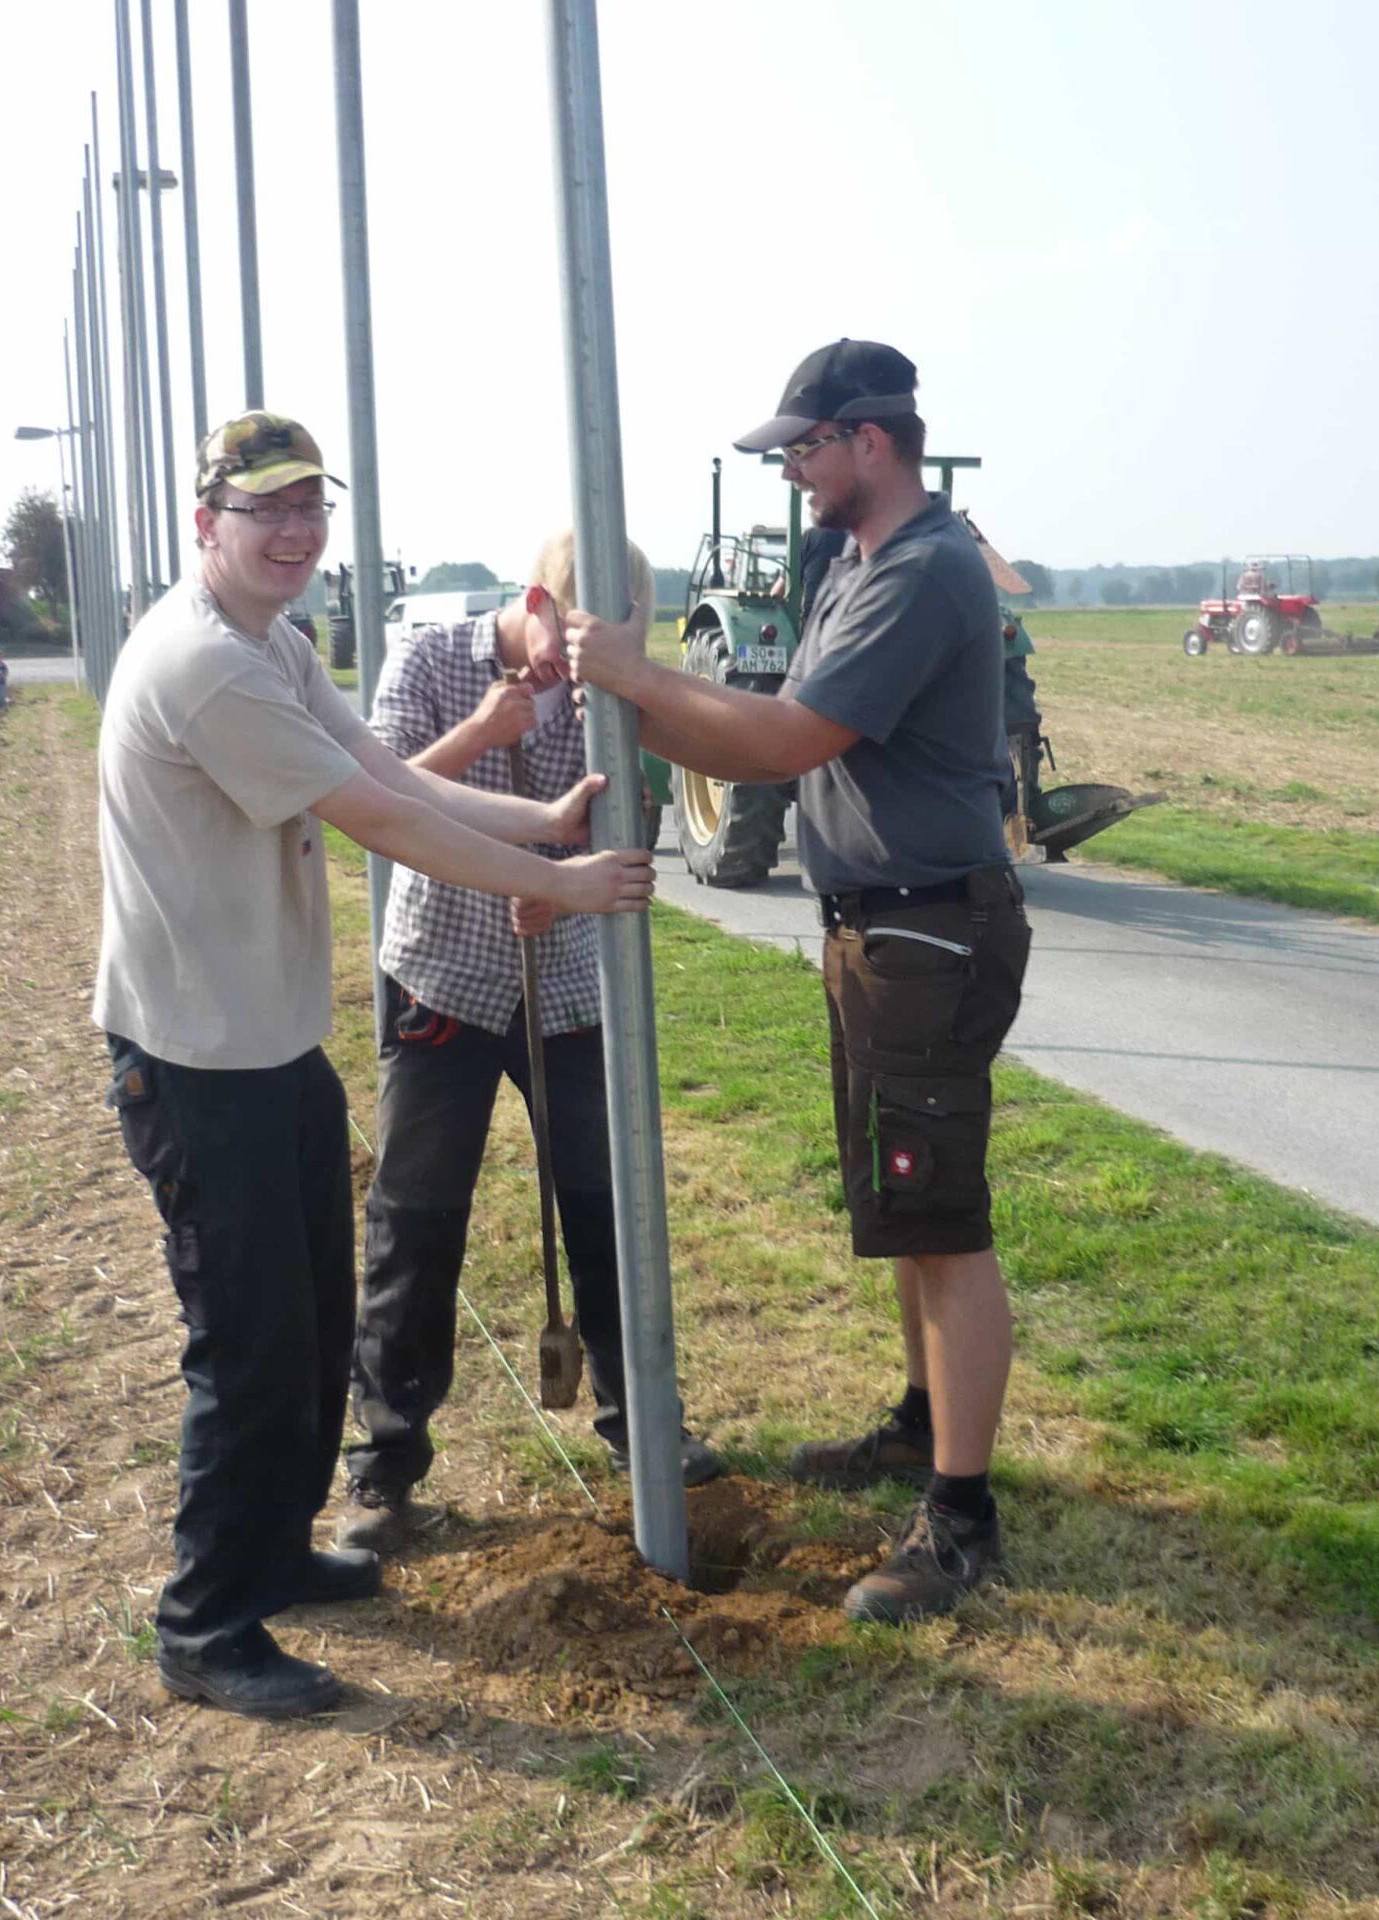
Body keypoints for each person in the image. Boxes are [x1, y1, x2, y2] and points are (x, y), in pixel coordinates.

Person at [95, 409, 653, 1720]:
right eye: (265, 510)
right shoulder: (206, 666)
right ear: (207, 524)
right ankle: (205, 1622)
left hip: (271, 1042)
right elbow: (381, 821)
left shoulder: (273, 643)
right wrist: (559, 879)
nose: (295, 533)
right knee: (246, 1345)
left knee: (307, 1326)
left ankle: (277, 1555)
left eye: (311, 508)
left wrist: (541, 822)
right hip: (197, 1055)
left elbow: (389, 774)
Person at [567, 339, 1030, 1624]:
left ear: (869, 441)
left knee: (942, 1222)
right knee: (903, 1209)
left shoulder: (924, 572)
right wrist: (631, 705)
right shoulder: (852, 564)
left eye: (805, 449)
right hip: (879, 932)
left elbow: (787, 738)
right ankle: (924, 1424)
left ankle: (962, 1519)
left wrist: (635, 676)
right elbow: (762, 732)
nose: (792, 472)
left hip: (929, 932)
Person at [334, 534, 724, 1556]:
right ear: (537, 603)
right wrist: (481, 730)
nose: (587, 665)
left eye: (614, 647)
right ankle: (384, 1464)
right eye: (578, 640)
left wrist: (559, 885)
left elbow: (627, 824)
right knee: (415, 1221)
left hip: (568, 989)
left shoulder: (607, 694)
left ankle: (642, 1425)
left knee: (608, 1210)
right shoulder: (429, 660)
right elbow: (373, 795)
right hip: (443, 980)